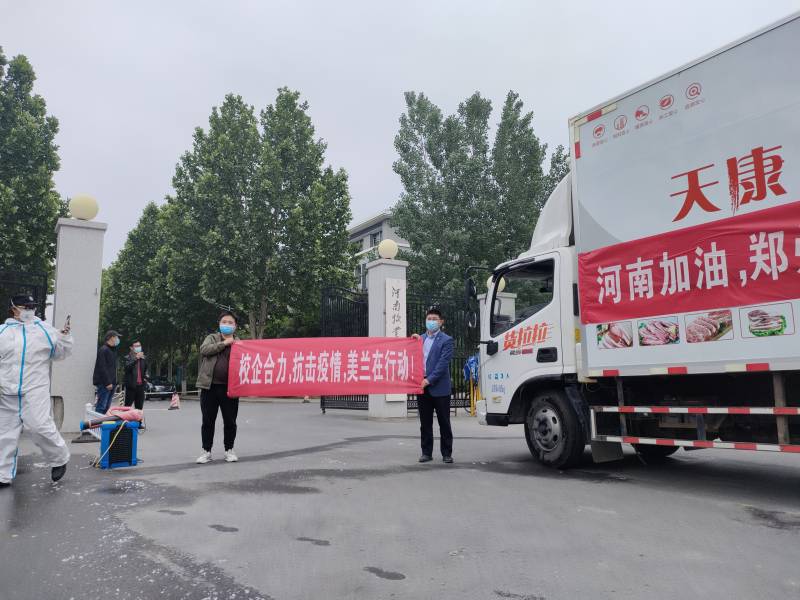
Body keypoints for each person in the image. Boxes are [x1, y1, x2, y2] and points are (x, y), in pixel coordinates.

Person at [0, 294, 73, 487]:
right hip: (6, 391)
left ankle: (59, 458)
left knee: (39, 426)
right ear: (14, 309)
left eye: (32, 307)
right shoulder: (2, 332)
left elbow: (60, 354)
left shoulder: (44, 330)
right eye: (25, 307)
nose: (29, 311)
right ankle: (2, 474)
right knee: (4, 434)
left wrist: (64, 337)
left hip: (35, 389)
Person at [196, 311, 240, 464]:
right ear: (219, 324)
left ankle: (229, 450)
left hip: (230, 389)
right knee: (208, 421)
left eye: (230, 322)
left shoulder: (239, 343)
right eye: (224, 322)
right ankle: (206, 451)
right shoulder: (212, 338)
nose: (227, 324)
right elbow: (204, 350)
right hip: (209, 387)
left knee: (230, 421)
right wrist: (224, 343)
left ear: (235, 326)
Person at [413, 307, 455, 464]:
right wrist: (412, 341)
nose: (431, 321)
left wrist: (429, 380)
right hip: (421, 386)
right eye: (429, 319)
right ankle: (426, 452)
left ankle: (447, 453)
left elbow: (442, 364)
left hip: (439, 387)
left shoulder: (446, 340)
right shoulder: (420, 339)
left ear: (441, 322)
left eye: (434, 319)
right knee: (425, 423)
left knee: (444, 422)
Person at [93, 330, 120, 413]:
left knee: (107, 407)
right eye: (117, 337)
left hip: (112, 383)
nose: (118, 339)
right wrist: (107, 382)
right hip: (104, 384)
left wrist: (115, 382)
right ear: (112, 338)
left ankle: (103, 421)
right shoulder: (103, 350)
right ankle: (98, 422)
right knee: (101, 406)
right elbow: (102, 367)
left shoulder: (112, 350)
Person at [123, 340, 147, 412]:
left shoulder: (143, 358)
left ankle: (138, 420)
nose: (138, 347)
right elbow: (127, 368)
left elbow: (145, 369)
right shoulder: (127, 358)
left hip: (141, 386)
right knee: (127, 408)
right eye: (136, 346)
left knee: (139, 409)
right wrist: (136, 358)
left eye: (139, 346)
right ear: (131, 348)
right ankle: (126, 420)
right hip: (131, 386)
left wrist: (146, 377)